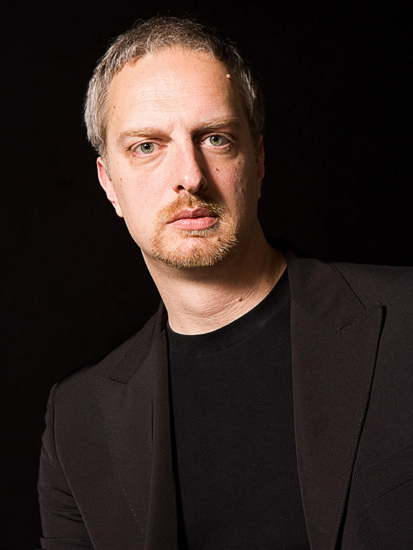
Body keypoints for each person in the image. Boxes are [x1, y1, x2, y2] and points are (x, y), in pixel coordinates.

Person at [38, 16, 413, 550]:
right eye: (146, 146)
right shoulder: (77, 424)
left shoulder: (405, 323)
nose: (189, 176)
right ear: (109, 184)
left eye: (215, 138)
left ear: (257, 161)